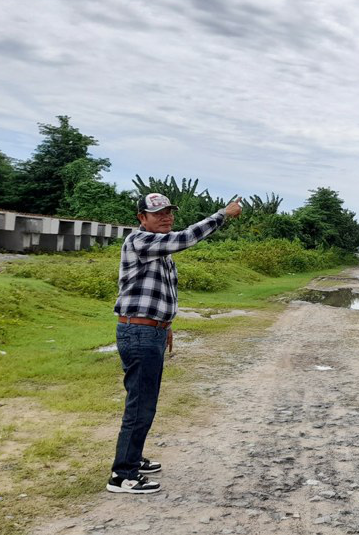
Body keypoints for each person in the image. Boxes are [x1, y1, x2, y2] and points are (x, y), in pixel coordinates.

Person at [106, 192, 242, 494]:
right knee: (139, 405)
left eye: (169, 212)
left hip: (150, 331)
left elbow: (159, 293)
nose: (166, 217)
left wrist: (165, 326)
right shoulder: (139, 242)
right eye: (158, 214)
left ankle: (133, 458)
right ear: (142, 218)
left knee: (145, 402)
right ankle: (122, 475)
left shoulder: (159, 251)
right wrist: (221, 214)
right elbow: (187, 238)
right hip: (138, 333)